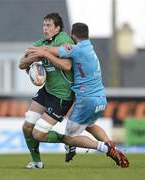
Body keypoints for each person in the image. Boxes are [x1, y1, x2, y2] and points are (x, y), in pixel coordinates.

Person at [25, 22, 129, 168]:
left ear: (73, 35)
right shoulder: (89, 47)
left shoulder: (77, 50)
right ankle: (112, 148)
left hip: (86, 100)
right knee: (90, 125)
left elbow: (53, 51)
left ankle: (105, 148)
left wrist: (41, 51)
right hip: (100, 99)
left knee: (69, 138)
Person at [19, 12, 74, 169]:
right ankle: (37, 162)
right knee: (27, 126)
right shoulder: (41, 42)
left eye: (49, 25)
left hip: (62, 96)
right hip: (47, 91)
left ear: (57, 28)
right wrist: (31, 58)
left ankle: (69, 141)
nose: (45, 28)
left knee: (38, 134)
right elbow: (21, 64)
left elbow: (67, 66)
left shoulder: (63, 39)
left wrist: (44, 53)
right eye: (44, 25)